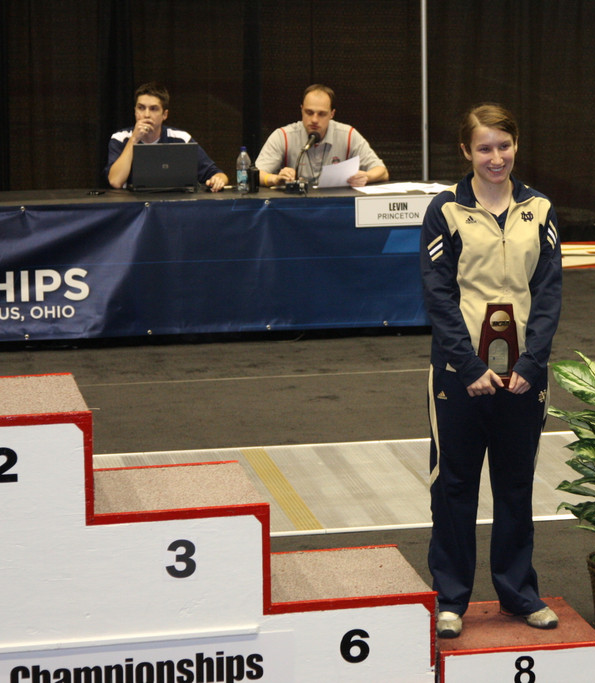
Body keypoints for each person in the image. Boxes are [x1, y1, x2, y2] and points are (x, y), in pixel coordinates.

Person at [419, 103, 562, 639]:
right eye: (484, 147)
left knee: (515, 484)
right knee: (453, 486)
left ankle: (519, 592)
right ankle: (450, 598)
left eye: (503, 145)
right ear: (466, 151)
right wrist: (468, 364)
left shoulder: (540, 209)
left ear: (515, 145)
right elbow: (438, 295)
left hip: (523, 378)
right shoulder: (446, 211)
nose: (495, 157)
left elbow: (548, 294)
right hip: (460, 376)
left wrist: (532, 362)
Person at [254, 84, 388, 188]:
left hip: (336, 208)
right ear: (301, 109)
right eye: (309, 112)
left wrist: (367, 176)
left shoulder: (348, 135)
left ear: (332, 114)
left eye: (321, 114)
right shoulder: (283, 136)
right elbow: (255, 174)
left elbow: (382, 171)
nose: (314, 120)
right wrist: (275, 179)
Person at [106, 82, 228, 192]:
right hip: (135, 208)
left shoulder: (181, 139)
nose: (146, 115)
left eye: (153, 109)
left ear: (164, 114)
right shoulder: (121, 138)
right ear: (135, 111)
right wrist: (134, 139)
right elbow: (115, 181)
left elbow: (217, 174)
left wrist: (218, 180)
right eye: (141, 108)